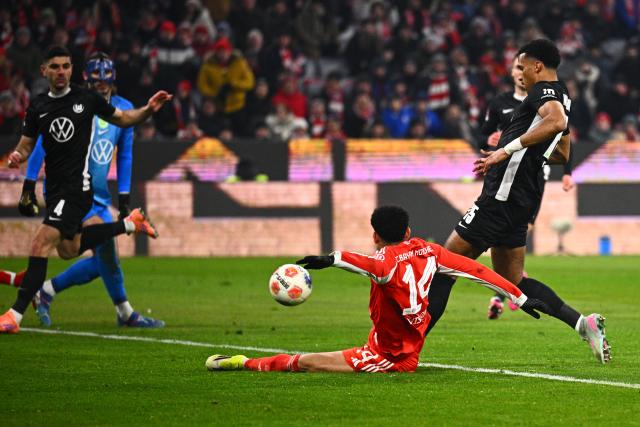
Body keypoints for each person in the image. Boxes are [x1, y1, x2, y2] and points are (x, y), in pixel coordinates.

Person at [424, 39, 610, 363]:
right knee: (514, 281)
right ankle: (583, 324)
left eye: (522, 66)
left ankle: (404, 347)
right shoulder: (561, 94)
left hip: (499, 199)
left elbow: (556, 123)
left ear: (537, 66)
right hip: (518, 203)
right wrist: (523, 154)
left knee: (443, 268)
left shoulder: (542, 92)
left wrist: (505, 150)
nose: (519, 73)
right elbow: (563, 150)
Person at [205, 205, 549, 373]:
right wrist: (518, 294)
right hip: (412, 332)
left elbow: (365, 263)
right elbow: (476, 269)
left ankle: (242, 363)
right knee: (445, 284)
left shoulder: (384, 263)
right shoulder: (430, 250)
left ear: (375, 235)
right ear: (409, 229)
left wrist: (332, 258)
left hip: (390, 357)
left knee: (306, 363)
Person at [0, 45, 172, 334]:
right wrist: (24, 173)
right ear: (45, 70)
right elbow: (34, 144)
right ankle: (126, 231)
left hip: (84, 192)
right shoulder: (44, 106)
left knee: (51, 245)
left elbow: (124, 132)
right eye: (55, 66)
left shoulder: (90, 101)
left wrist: (147, 111)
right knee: (72, 250)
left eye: (65, 66)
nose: (61, 72)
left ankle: (16, 313)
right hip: (59, 189)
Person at [480, 54, 575, 319]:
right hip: (504, 175)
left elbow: (564, 136)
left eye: (524, 67)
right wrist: (491, 140)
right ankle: (512, 287)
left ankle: (509, 288)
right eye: (516, 68)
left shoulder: (546, 99)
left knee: (517, 230)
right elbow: (483, 132)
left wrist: (567, 172)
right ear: (512, 73)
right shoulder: (500, 103)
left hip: (532, 178)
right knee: (505, 237)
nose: (520, 72)